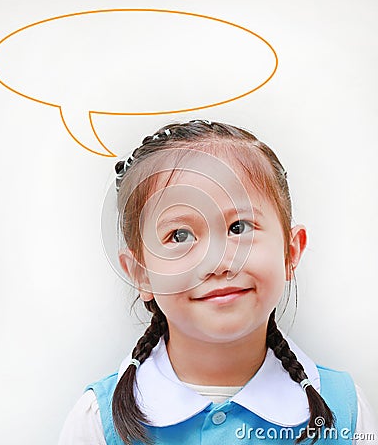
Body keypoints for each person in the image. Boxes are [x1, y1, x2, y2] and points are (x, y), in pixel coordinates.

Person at [58, 120, 377, 444]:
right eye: (179, 235)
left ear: (289, 252)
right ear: (140, 272)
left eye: (239, 227)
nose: (217, 263)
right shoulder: (98, 421)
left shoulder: (344, 411)